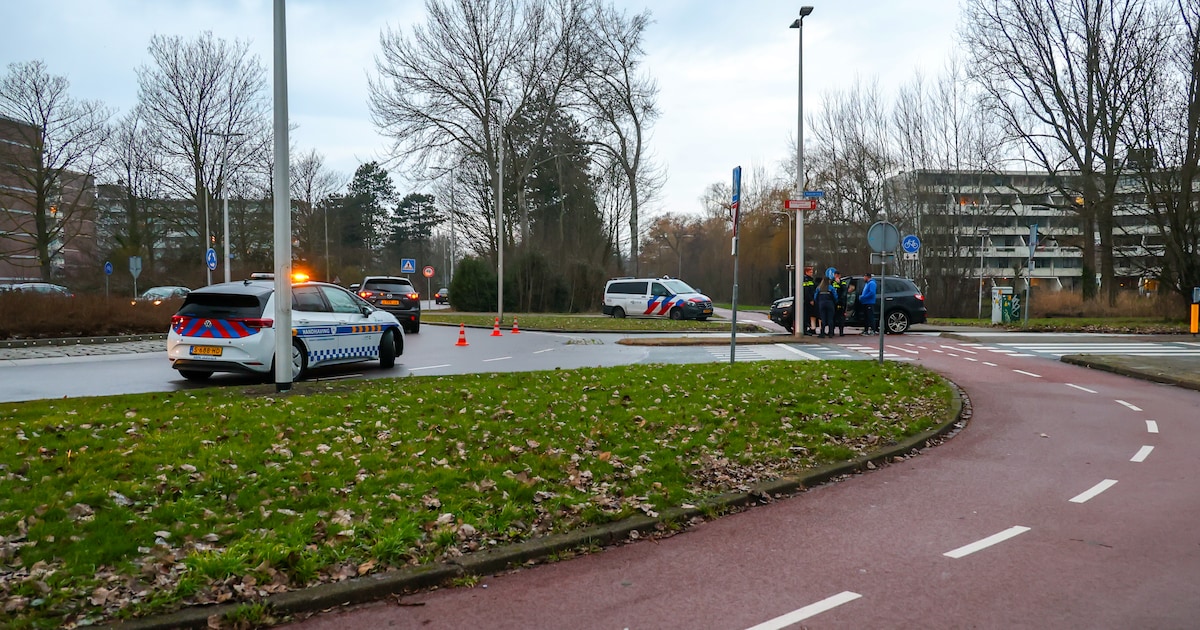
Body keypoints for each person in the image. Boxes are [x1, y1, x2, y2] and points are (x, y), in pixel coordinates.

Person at [832, 270, 848, 336]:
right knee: (833, 317)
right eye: (836, 275)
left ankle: (841, 332)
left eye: (838, 275)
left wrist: (839, 283)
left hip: (840, 302)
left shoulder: (843, 282)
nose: (837, 276)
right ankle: (831, 331)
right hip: (833, 302)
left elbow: (844, 291)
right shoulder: (831, 282)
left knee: (841, 317)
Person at [801, 268, 816, 335]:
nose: (811, 273)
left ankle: (809, 328)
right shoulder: (806, 280)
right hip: (807, 301)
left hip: (809, 300)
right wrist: (810, 299)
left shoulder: (810, 280)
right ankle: (804, 330)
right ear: (806, 272)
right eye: (810, 272)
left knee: (809, 315)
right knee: (806, 315)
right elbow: (806, 291)